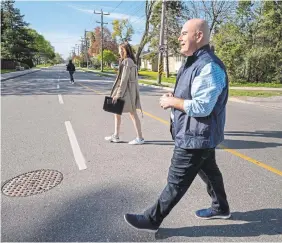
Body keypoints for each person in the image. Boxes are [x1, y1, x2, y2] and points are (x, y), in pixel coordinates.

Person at [124, 18, 230, 232]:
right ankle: (221, 207)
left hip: (196, 136)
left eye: (183, 33)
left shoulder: (209, 66)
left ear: (198, 36)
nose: (179, 38)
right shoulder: (193, 61)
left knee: (176, 180)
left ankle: (152, 220)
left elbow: (202, 107)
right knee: (210, 172)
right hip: (199, 135)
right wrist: (176, 96)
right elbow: (194, 93)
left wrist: (173, 102)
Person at [105, 42, 144, 145]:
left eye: (123, 49)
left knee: (132, 113)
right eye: (120, 49)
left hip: (127, 93)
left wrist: (118, 94)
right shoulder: (127, 61)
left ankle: (140, 138)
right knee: (116, 112)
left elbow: (124, 80)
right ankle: (116, 135)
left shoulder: (127, 62)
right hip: (128, 91)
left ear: (128, 50)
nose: (121, 51)